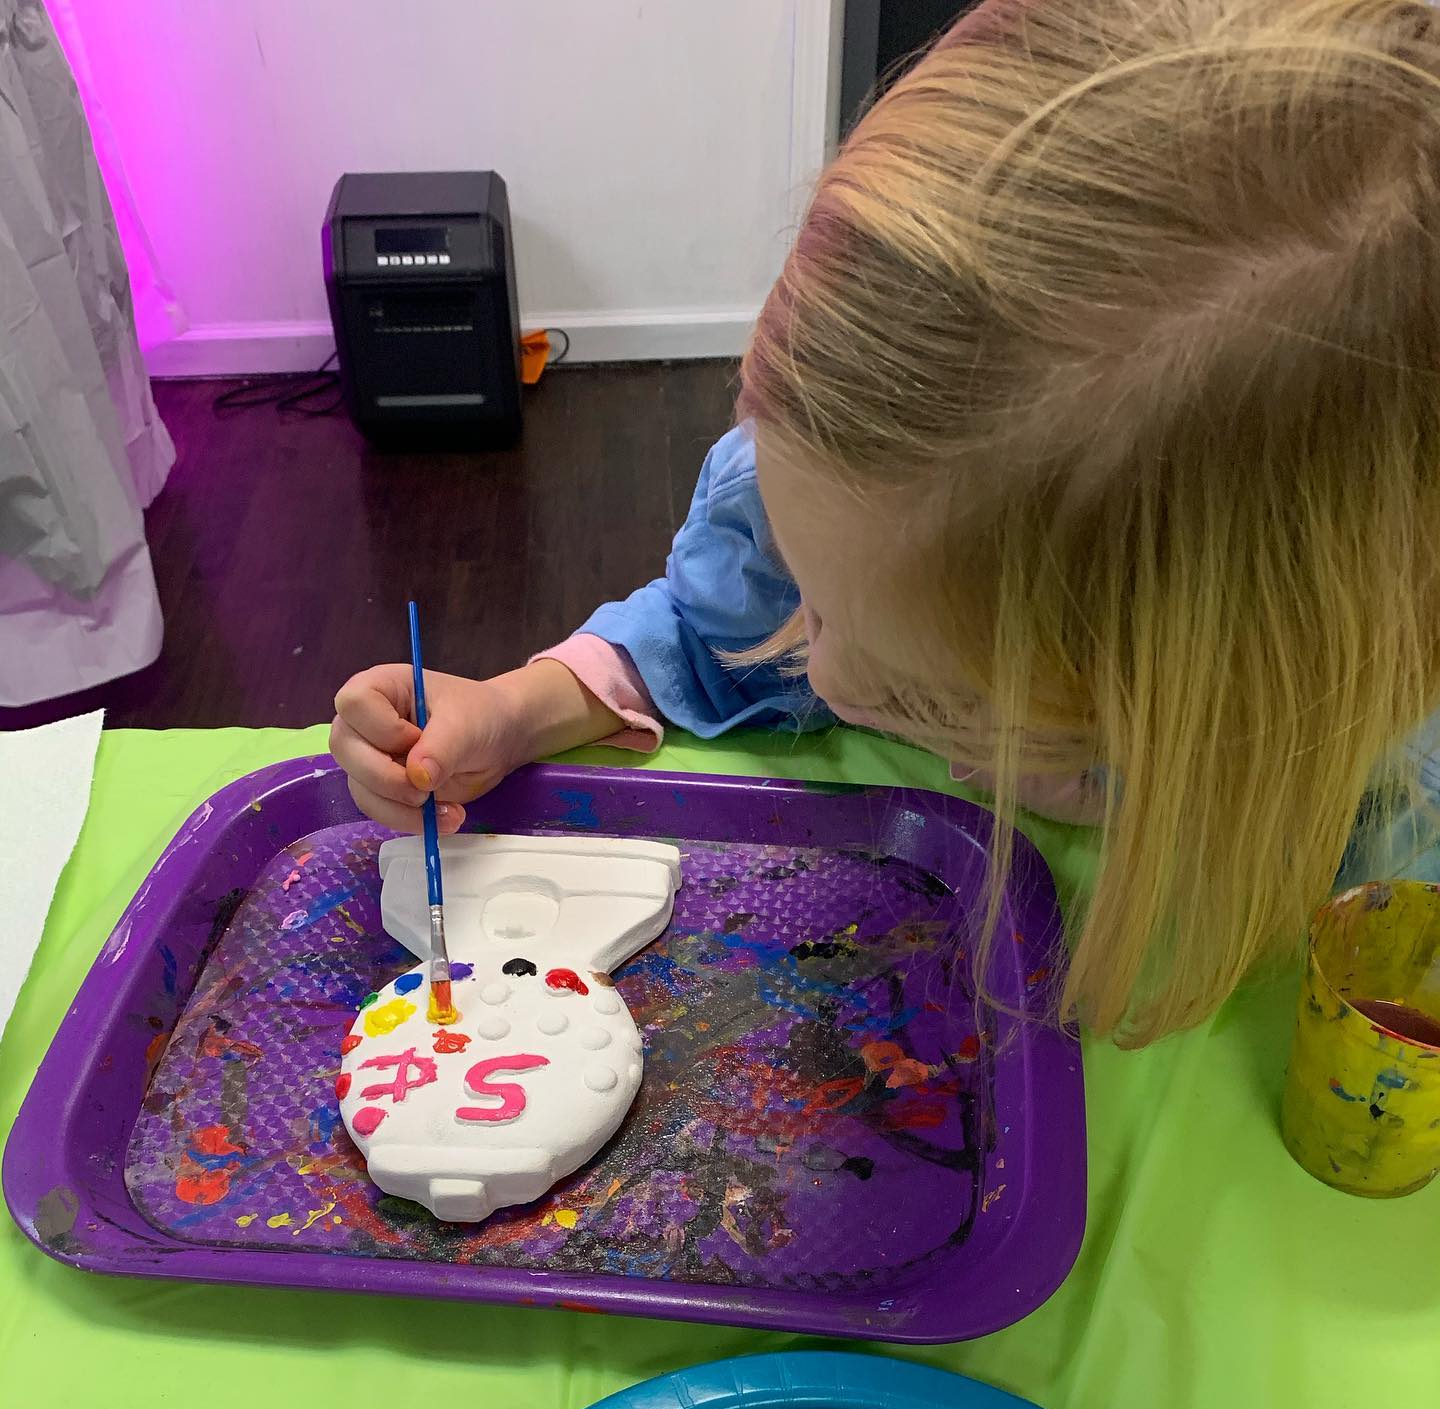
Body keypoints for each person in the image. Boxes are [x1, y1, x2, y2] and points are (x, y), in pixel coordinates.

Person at [331, 0, 1440, 1047]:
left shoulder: (1366, 783)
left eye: (928, 694)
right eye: (812, 595)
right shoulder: (809, 499)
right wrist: (516, 713)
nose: (833, 675)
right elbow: (700, 639)